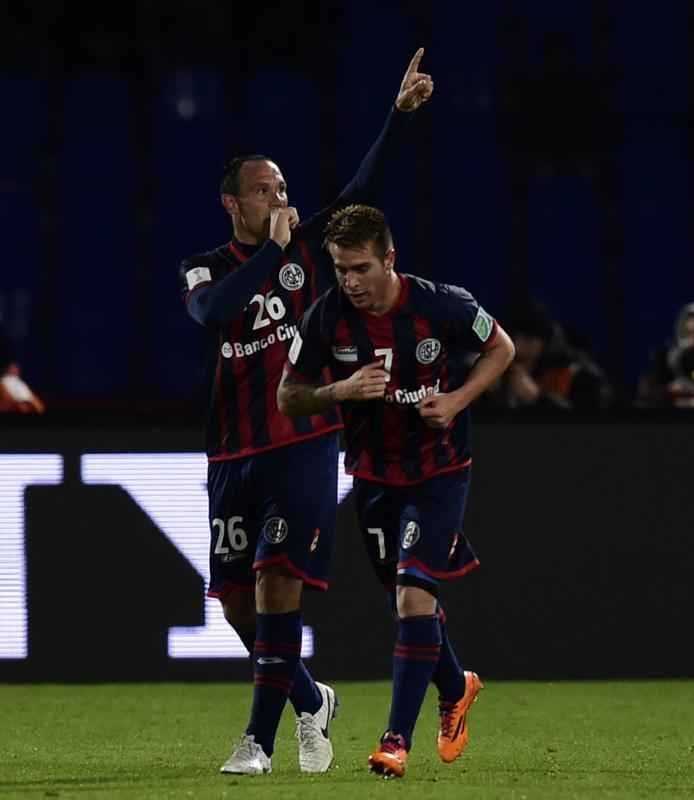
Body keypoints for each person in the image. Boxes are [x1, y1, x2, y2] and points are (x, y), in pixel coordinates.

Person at [178, 49, 435, 776]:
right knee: (235, 609)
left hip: (305, 439)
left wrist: (396, 116)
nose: (281, 197)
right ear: (234, 204)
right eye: (266, 191)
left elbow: (363, 185)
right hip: (231, 451)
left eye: (284, 186)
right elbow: (212, 314)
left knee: (275, 584)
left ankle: (257, 743)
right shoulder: (208, 266)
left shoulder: (312, 254)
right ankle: (311, 698)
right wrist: (275, 254)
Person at [278, 203, 514, 779]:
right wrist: (341, 389)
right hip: (374, 477)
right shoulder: (324, 317)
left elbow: (500, 348)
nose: (350, 282)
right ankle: (457, 686)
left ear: (389, 258)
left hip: (439, 471)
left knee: (413, 596)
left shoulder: (443, 303)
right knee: (407, 602)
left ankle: (395, 741)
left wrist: (457, 401)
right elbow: (289, 395)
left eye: (360, 268)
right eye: (339, 269)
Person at [482, 294, 613, 410]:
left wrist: (537, 398)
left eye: (528, 339)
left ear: (545, 342)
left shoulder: (577, 376)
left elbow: (588, 428)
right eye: (514, 338)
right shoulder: (500, 370)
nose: (519, 346)